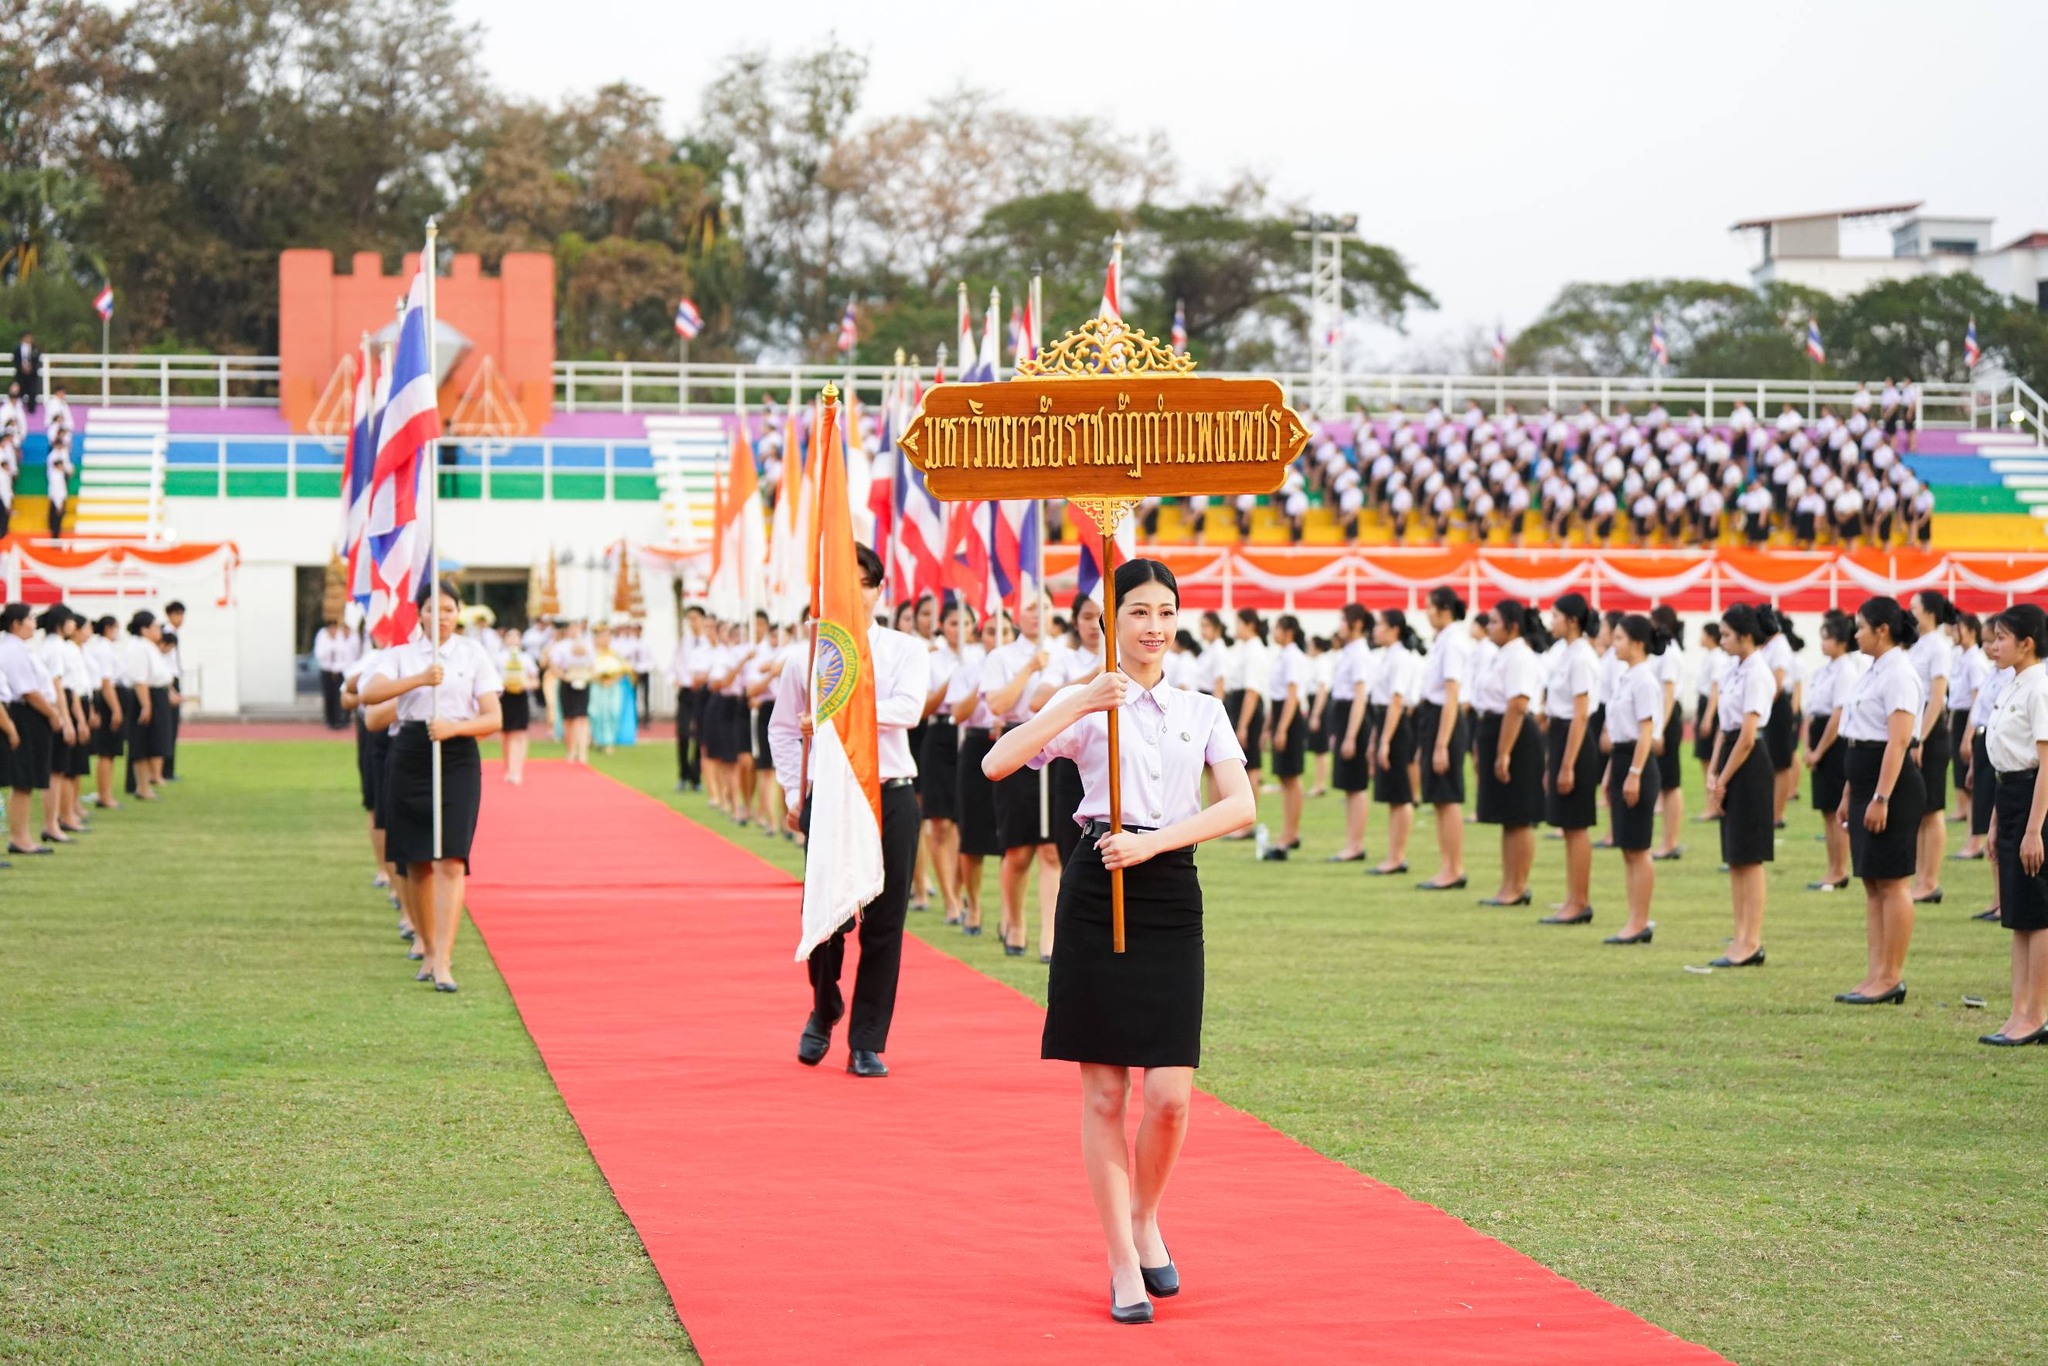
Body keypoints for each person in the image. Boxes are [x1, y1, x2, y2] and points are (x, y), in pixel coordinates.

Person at [981, 558, 1255, 1325]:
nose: (1153, 626)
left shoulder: (1202, 709)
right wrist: (1077, 702)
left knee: (1169, 1096)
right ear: (1109, 620)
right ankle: (1121, 1261)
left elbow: (1240, 805)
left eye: (1165, 611)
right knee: (1105, 1092)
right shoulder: (1087, 701)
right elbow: (998, 762)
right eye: (1137, 611)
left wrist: (1155, 842)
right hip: (1096, 887)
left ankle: (1145, 1217)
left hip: (1169, 891)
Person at [769, 543, 927, 1078]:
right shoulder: (807, 656)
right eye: (844, 581)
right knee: (824, 916)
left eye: (865, 582)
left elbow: (908, 709)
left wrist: (836, 712)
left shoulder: (905, 650)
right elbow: (783, 729)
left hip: (890, 793)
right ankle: (824, 1006)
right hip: (831, 797)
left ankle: (867, 1040)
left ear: (879, 590)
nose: (855, 593)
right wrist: (794, 793)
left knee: (885, 922)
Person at [361, 581, 503, 993]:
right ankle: (426, 946)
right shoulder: (401, 655)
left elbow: (493, 717)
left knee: (451, 859)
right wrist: (419, 679)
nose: (439, 617)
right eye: (431, 609)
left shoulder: (473, 654)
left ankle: (443, 958)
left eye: (448, 609)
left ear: (458, 613)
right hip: (411, 751)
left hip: (456, 753)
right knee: (417, 861)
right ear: (419, 614)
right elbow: (370, 694)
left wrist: (455, 728)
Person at [1833, 597, 1929, 1006]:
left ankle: (1891, 976)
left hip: (1891, 785)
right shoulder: (1873, 670)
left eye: (1861, 627)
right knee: (1872, 883)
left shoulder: (1900, 674)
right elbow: (1860, 732)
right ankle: (1874, 973)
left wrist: (1881, 796)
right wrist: (1850, 792)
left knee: (1892, 882)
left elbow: (1899, 741)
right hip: (1865, 781)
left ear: (1883, 630)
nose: (1856, 634)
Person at [1979, 604, 2048, 1044]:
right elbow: (2005, 761)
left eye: (2002, 638)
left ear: (2027, 643)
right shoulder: (2013, 684)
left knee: (2037, 913)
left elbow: (2045, 764)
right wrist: (1995, 820)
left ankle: (2036, 1014)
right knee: (2019, 914)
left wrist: (2033, 829)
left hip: (2033, 802)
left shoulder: (2040, 687)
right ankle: (2019, 1011)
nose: (1993, 646)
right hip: (2010, 797)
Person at [1708, 605, 1777, 968]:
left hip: (1748, 764)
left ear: (1746, 636)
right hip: (1730, 758)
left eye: (1726, 635)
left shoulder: (1758, 673)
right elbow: (1726, 727)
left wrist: (1723, 778)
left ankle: (1751, 940)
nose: (1721, 641)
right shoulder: (1733, 669)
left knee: (1749, 857)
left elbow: (1748, 736)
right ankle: (1738, 936)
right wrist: (1713, 771)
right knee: (1735, 857)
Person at [1474, 600, 1547, 907]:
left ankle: (1518, 886)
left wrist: (1503, 753)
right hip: (1496, 729)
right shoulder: (1501, 654)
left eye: (1494, 622)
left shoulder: (1519, 656)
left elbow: (1517, 705)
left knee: (1519, 815)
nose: (1488, 627)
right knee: (1507, 816)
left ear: (1512, 626)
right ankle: (1508, 884)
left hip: (1515, 735)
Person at [1601, 615, 1666, 944]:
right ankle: (1633, 918)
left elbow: (1646, 732)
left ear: (1638, 643)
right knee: (1627, 848)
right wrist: (1611, 772)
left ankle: (1640, 922)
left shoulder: (1644, 681)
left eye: (1619, 638)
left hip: (1637, 762)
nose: (1614, 644)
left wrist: (1634, 773)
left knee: (1638, 848)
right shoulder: (1626, 677)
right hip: (1622, 759)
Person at [1540, 593, 1602, 925]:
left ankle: (1580, 901)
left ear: (1572, 620)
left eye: (1556, 616)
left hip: (1574, 739)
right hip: (1561, 735)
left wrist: (1566, 765)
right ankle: (1572, 897)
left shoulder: (1581, 657)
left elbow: (1580, 714)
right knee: (1567, 826)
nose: (1551, 622)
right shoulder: (1566, 653)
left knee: (1576, 826)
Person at [1802, 612, 1867, 893]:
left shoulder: (1845, 671)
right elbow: (1811, 712)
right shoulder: (1822, 671)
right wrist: (1808, 747)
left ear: (1841, 641)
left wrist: (1819, 751)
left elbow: (1838, 714)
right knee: (1826, 812)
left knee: (1836, 812)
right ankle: (1831, 867)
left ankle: (1839, 869)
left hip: (1833, 742)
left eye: (1827, 638)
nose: (1823, 643)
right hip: (1818, 736)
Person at [920, 600, 973, 922]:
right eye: (954, 623)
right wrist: (951, 682)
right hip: (939, 735)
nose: (960, 630)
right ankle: (950, 900)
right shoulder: (931, 659)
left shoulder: (981, 657)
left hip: (970, 739)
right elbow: (924, 707)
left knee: (965, 823)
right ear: (943, 626)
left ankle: (960, 889)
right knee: (940, 824)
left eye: (966, 624)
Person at [1417, 588, 1472, 890]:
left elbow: (1452, 696)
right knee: (1439, 799)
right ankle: (1446, 865)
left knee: (1448, 797)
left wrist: (1441, 744)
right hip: (1434, 717)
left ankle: (1454, 867)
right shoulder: (1443, 640)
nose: (1426, 612)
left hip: (1445, 720)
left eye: (1430, 606)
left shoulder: (1453, 642)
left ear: (1444, 609)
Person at [1907, 591, 1957, 905]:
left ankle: (1930, 881)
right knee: (1919, 809)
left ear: (1929, 613)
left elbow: (1937, 697)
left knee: (1932, 808)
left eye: (1914, 607)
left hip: (1930, 730)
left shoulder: (1938, 646)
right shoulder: (1917, 645)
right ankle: (1920, 879)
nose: (1909, 612)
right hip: (1916, 725)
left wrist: (1920, 739)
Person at [0, 603, 59, 857]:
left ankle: (23, 836)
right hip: (25, 714)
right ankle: (19, 838)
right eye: (30, 619)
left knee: (28, 779)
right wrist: (53, 714)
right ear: (16, 624)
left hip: (30, 713)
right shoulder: (12, 649)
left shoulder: (21, 648)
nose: (34, 624)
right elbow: (28, 691)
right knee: (23, 779)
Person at [1366, 609, 1422, 876]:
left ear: (1395, 630)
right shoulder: (1386, 656)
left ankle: (1398, 857)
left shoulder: (1401, 658)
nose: (1375, 630)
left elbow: (1397, 701)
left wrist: (1386, 741)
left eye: (1380, 625)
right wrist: (1376, 739)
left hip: (1397, 726)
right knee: (1392, 797)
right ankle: (1393, 854)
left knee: (1401, 796)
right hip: (1384, 722)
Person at [1327, 605, 1375, 863]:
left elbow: (1360, 697)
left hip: (1354, 719)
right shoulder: (1348, 651)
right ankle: (1351, 842)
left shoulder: (1360, 654)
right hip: (1343, 716)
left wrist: (1351, 736)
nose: (1340, 626)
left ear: (1356, 624)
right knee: (1348, 787)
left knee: (1356, 786)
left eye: (1343, 621)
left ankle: (1356, 844)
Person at [1260, 614, 1310, 860]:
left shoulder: (1293, 657)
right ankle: (1288, 831)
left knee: (1292, 777)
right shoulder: (1282, 655)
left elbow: (1292, 695)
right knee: (1284, 778)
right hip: (1280, 714)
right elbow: (1276, 697)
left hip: (1290, 718)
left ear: (1288, 631)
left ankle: (1291, 833)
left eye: (1277, 628)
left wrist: (1281, 729)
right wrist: (1269, 726)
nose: (1273, 633)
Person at [1949, 612, 1990, 851]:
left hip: (1970, 721)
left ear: (1972, 632)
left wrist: (1967, 736)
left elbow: (1977, 701)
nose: (1955, 633)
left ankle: (1974, 842)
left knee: (1972, 784)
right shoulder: (1962, 657)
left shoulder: (1975, 661)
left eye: (1959, 629)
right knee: (1963, 781)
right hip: (1960, 717)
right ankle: (1972, 838)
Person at [81, 615, 124, 811]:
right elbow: (106, 683)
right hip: (106, 701)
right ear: (108, 628)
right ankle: (104, 795)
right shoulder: (103, 649)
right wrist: (116, 709)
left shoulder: (100, 648)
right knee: (107, 751)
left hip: (104, 699)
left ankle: (106, 794)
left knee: (110, 752)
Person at [672, 605, 708, 792]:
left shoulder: (708, 642)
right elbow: (674, 665)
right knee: (683, 734)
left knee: (699, 736)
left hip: (701, 693)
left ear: (702, 619)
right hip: (686, 691)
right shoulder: (683, 642)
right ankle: (683, 774)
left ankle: (696, 776)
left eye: (695, 618)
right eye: (689, 619)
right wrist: (676, 679)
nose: (692, 622)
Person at [497, 626, 535, 785]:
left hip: (520, 696)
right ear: (505, 639)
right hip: (504, 697)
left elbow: (535, 680)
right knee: (506, 735)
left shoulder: (526, 658)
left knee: (519, 734)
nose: (513, 640)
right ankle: (509, 767)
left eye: (516, 636)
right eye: (510, 636)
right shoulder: (498, 657)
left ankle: (517, 770)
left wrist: (524, 684)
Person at [313, 618, 359, 730]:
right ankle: (330, 720)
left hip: (340, 670)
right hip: (327, 669)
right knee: (329, 696)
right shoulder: (322, 636)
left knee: (339, 695)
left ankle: (341, 720)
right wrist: (330, 644)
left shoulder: (342, 636)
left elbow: (348, 653)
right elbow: (319, 654)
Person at [43, 386, 72, 535]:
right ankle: (54, 533)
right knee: (55, 514)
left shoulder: (63, 454)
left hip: (59, 486)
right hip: (56, 489)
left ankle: (56, 532)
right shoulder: (53, 457)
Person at [12, 333, 41, 412]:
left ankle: (31, 410)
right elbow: (15, 360)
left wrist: (30, 367)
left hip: (32, 375)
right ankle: (18, 409)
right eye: (27, 337)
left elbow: (37, 361)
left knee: (32, 392)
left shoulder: (35, 349)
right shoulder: (18, 349)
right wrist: (22, 367)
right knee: (19, 391)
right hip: (21, 375)